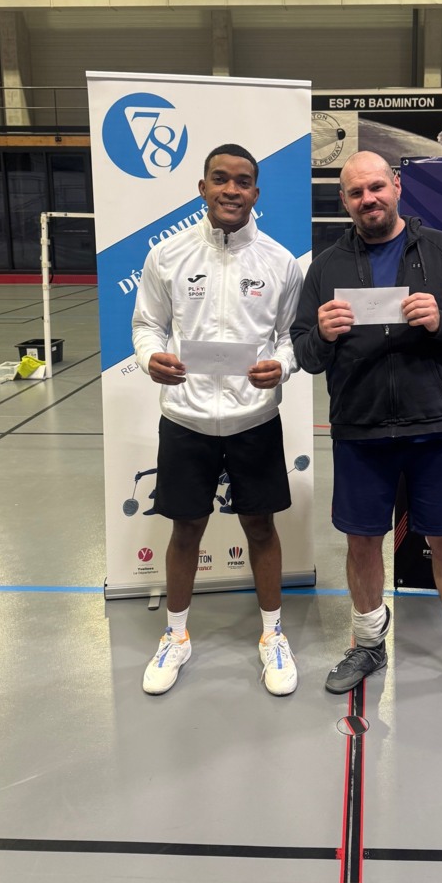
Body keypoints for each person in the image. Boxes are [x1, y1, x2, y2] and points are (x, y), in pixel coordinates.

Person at [291, 150, 442, 710]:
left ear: (396, 186)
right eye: (355, 193)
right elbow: (305, 353)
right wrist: (322, 333)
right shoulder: (326, 267)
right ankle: (369, 645)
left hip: (434, 428)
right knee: (362, 541)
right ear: (343, 201)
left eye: (376, 187)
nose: (367, 199)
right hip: (360, 430)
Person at [132, 143, 303, 697]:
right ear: (202, 188)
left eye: (243, 181)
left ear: (256, 192)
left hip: (255, 419)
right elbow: (146, 325)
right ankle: (176, 637)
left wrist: (282, 365)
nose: (232, 189)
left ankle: (272, 635)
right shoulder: (167, 255)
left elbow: (291, 337)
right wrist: (149, 358)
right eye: (221, 179)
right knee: (186, 529)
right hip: (186, 418)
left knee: (261, 527)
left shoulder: (280, 261)